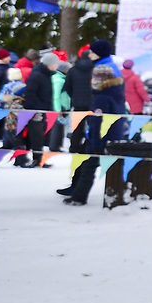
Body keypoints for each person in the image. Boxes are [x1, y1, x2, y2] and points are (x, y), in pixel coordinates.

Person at [58, 41, 128, 205]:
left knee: (90, 162)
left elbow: (99, 115)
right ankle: (85, 196)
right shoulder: (110, 70)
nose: (89, 55)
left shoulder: (102, 89)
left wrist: (95, 137)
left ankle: (80, 198)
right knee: (98, 163)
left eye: (92, 52)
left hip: (103, 129)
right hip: (112, 127)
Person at [57, 46, 97, 204]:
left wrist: (67, 107)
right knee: (89, 149)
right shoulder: (97, 70)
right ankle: (77, 185)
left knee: (77, 147)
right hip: (95, 112)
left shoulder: (73, 70)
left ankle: (75, 183)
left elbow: (66, 90)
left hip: (78, 111)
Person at [18, 52, 60, 167]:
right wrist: (36, 110)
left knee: (38, 136)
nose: (57, 66)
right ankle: (34, 159)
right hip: (35, 111)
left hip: (43, 110)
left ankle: (36, 158)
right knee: (35, 137)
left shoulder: (46, 74)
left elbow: (45, 94)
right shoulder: (37, 75)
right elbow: (30, 94)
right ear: (49, 64)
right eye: (55, 64)